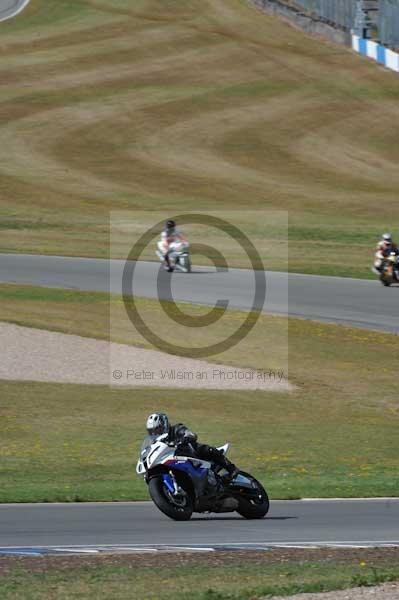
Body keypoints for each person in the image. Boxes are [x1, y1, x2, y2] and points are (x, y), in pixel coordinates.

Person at [145, 413, 239, 479]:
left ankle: (232, 469)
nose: (155, 433)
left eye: (157, 429)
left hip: (191, 455)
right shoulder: (157, 443)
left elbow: (189, 434)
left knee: (203, 448)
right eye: (152, 431)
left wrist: (186, 437)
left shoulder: (176, 429)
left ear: (164, 425)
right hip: (176, 462)